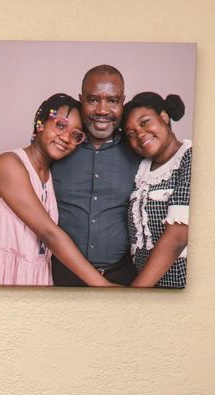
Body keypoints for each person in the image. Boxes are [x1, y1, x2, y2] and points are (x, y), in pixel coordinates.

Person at [0, 94, 115, 287]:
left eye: (76, 135)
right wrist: (104, 285)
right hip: (4, 275)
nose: (66, 138)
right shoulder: (9, 163)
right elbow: (49, 233)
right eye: (60, 125)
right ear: (40, 123)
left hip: (38, 277)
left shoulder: (52, 176)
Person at [49, 65, 139, 286]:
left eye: (112, 101)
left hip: (123, 276)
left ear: (123, 102)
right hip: (61, 276)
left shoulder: (139, 150)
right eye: (92, 100)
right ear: (81, 100)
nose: (102, 110)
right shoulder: (57, 146)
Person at [121, 91, 192, 289]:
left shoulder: (190, 158)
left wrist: (134, 295)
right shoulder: (141, 169)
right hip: (144, 283)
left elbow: (178, 238)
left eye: (144, 123)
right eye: (131, 134)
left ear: (164, 117)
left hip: (178, 285)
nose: (140, 134)